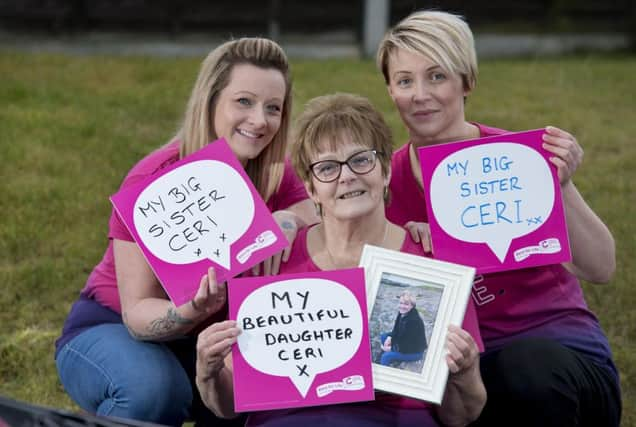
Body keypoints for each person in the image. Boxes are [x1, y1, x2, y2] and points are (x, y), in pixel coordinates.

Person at [55, 37, 317, 427]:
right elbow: (138, 315)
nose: (260, 120)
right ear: (211, 101)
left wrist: (290, 219)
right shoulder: (153, 180)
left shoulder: (274, 172)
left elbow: (317, 216)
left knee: (261, 396)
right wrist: (190, 310)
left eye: (273, 108)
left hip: (211, 339)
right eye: (244, 101)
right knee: (155, 391)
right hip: (115, 328)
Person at [377, 10, 621, 427]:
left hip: (552, 357)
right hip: (460, 369)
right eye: (405, 81)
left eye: (437, 76)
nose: (419, 94)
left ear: (467, 81)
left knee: (526, 370)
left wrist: (561, 186)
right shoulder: (383, 183)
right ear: (390, 90)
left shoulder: (519, 160)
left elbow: (601, 267)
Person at [196, 93, 486, 427]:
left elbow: (461, 415)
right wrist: (209, 372)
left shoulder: (432, 265)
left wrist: (464, 371)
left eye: (361, 160)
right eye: (328, 168)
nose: (347, 176)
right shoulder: (274, 262)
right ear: (310, 188)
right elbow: (229, 405)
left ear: (386, 171)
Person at [380, 290, 427, 367]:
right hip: (403, 343)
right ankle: (392, 356)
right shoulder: (402, 313)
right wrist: (390, 337)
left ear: (412, 306)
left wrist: (391, 349)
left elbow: (406, 346)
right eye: (401, 303)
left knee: (385, 357)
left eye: (406, 304)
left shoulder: (414, 321)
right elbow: (396, 330)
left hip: (414, 352)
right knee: (384, 336)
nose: (402, 306)